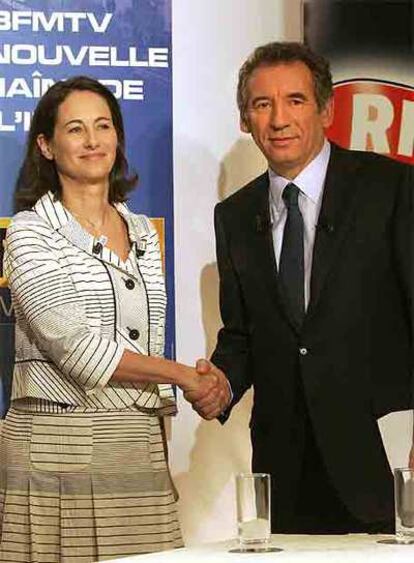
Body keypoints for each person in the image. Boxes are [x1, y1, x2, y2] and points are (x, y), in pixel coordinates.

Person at [190, 42, 414, 534]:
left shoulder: (392, 189)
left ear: (327, 109)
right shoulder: (233, 216)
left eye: (295, 100)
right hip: (286, 471)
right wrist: (220, 384)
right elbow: (243, 336)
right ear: (245, 119)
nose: (278, 119)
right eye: (261, 104)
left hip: (385, 458)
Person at [0, 76, 224, 561]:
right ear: (46, 145)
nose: (92, 140)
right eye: (75, 129)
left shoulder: (142, 230)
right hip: (57, 447)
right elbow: (79, 350)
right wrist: (183, 375)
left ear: (118, 139)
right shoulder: (29, 232)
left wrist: (193, 392)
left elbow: (142, 341)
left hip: (137, 446)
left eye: (103, 126)